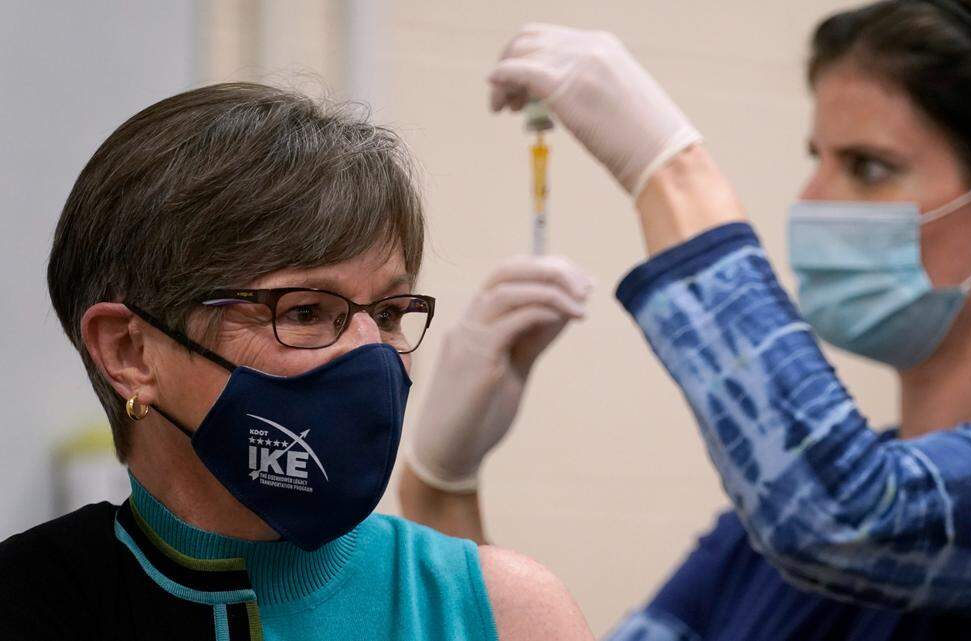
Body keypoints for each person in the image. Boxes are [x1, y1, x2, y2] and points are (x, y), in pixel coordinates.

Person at [402, 1, 971, 638]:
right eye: (816, 157)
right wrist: (440, 488)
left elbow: (853, 516)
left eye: (868, 166)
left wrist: (669, 170)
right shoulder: (758, 543)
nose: (814, 197)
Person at [0, 82, 595, 641]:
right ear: (131, 352)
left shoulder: (502, 611)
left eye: (389, 312)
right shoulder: (31, 601)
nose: (371, 352)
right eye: (307, 311)